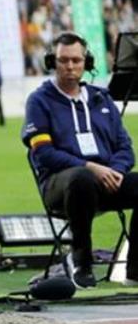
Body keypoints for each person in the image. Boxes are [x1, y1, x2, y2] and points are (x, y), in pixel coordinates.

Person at [21, 32, 138, 289]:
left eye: (76, 60)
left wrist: (115, 170)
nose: (70, 66)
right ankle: (81, 260)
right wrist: (91, 167)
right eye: (63, 60)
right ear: (53, 62)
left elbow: (126, 148)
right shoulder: (39, 101)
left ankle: (135, 269)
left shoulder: (101, 99)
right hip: (60, 185)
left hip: (106, 181)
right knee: (81, 178)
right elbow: (44, 153)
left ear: (87, 63)